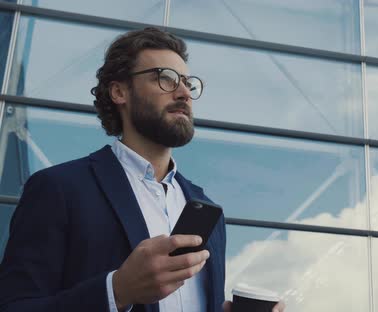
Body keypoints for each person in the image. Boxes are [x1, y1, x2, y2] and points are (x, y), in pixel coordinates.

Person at [0, 27, 285, 312]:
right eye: (166, 78)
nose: (184, 92)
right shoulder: (59, 189)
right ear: (119, 91)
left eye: (187, 83)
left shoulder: (208, 210)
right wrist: (116, 291)